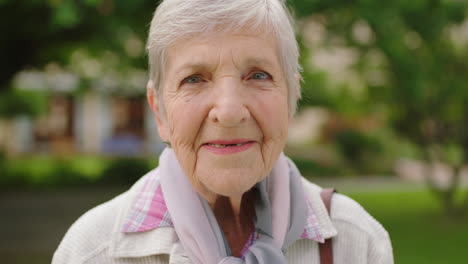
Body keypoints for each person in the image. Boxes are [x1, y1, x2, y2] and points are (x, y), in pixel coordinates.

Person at [53, 0, 393, 263]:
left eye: (258, 75)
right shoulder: (93, 251)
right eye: (194, 79)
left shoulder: (356, 241)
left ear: (291, 98)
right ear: (159, 110)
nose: (229, 112)